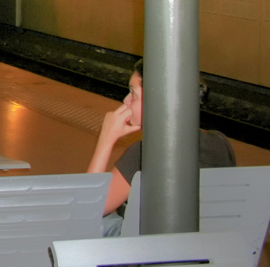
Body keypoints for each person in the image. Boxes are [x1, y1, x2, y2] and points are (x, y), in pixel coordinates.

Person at [86, 59, 236, 236]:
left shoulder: (144, 153)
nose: (125, 100)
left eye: (133, 93)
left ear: (156, 102)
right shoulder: (219, 143)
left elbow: (87, 210)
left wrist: (106, 139)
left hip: (147, 254)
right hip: (204, 250)